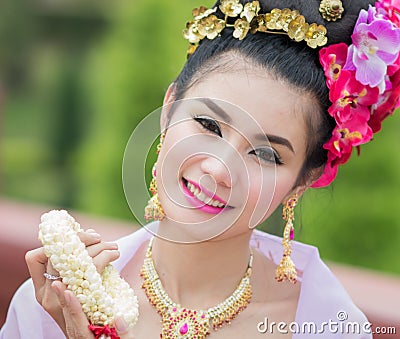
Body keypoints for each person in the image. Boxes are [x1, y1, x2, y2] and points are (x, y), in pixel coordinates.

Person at [1, 0, 399, 338]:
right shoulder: (52, 306)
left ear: (304, 180)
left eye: (265, 154)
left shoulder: (327, 325)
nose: (219, 169)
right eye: (208, 125)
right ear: (170, 106)